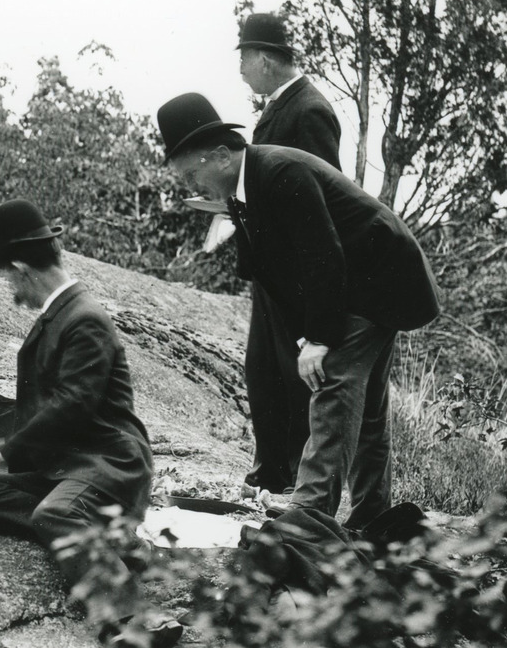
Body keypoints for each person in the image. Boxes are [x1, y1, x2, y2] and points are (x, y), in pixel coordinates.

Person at [158, 92, 440, 532]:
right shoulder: (242, 190)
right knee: (365, 409)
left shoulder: (281, 172)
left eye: (194, 173)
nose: (194, 187)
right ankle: (373, 517)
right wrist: (304, 336)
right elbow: (270, 274)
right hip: (357, 285)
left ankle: (305, 522)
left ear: (220, 155)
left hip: (381, 279)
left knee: (334, 387)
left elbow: (322, 257)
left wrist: (321, 338)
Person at [0, 200, 155, 569]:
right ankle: (110, 538)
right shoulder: (59, 314)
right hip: (65, 467)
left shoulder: (84, 317)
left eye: (8, 278)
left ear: (21, 269)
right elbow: (42, 409)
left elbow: (72, 405)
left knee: (54, 513)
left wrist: (3, 453)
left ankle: (131, 615)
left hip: (107, 465)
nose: (11, 288)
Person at [193, 13, 344, 494]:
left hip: (295, 274)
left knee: (291, 376)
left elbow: (323, 198)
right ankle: (270, 472)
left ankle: (293, 483)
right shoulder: (279, 107)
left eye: (242, 57)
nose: (240, 69)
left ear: (262, 58)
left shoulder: (310, 110)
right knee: (262, 371)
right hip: (271, 267)